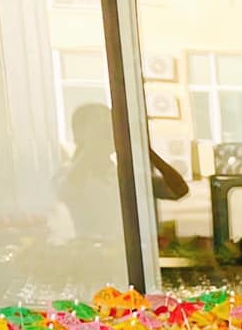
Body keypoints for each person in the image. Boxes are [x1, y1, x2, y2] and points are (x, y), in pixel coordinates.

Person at [57, 103, 189, 241]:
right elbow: (70, 187)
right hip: (89, 255)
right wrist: (92, 143)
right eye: (101, 126)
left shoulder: (125, 175)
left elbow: (179, 191)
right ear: (78, 133)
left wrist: (144, 147)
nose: (108, 132)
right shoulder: (65, 172)